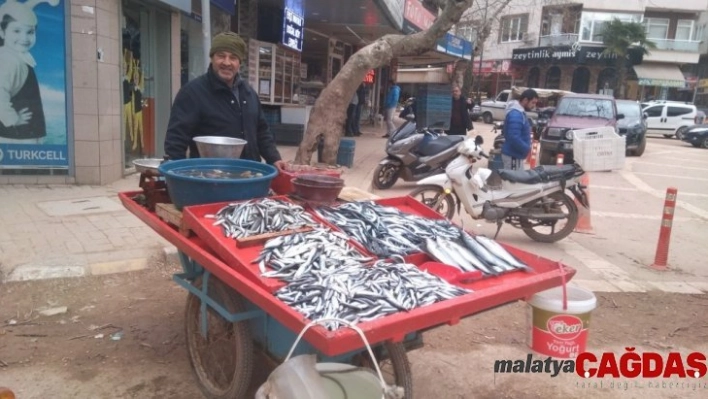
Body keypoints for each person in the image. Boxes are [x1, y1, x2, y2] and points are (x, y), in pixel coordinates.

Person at [164, 31, 285, 171]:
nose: (227, 62)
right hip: (209, 180)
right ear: (212, 58)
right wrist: (178, 175)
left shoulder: (248, 93)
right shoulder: (192, 93)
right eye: (221, 56)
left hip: (250, 176)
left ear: (240, 62)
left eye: (233, 58)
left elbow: (262, 132)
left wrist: (274, 158)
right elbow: (176, 140)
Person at [0, 0, 59, 144]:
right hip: (16, 137)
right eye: (16, 31)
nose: (24, 38)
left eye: (30, 32)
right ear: (2, 32)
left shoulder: (17, 57)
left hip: (23, 136)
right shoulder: (8, 60)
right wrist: (12, 118)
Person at [501, 89, 538, 170]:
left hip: (515, 155)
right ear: (525, 100)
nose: (534, 106)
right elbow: (513, 137)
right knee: (513, 181)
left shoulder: (519, 113)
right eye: (533, 102)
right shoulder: (516, 114)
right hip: (513, 155)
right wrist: (526, 148)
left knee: (516, 180)